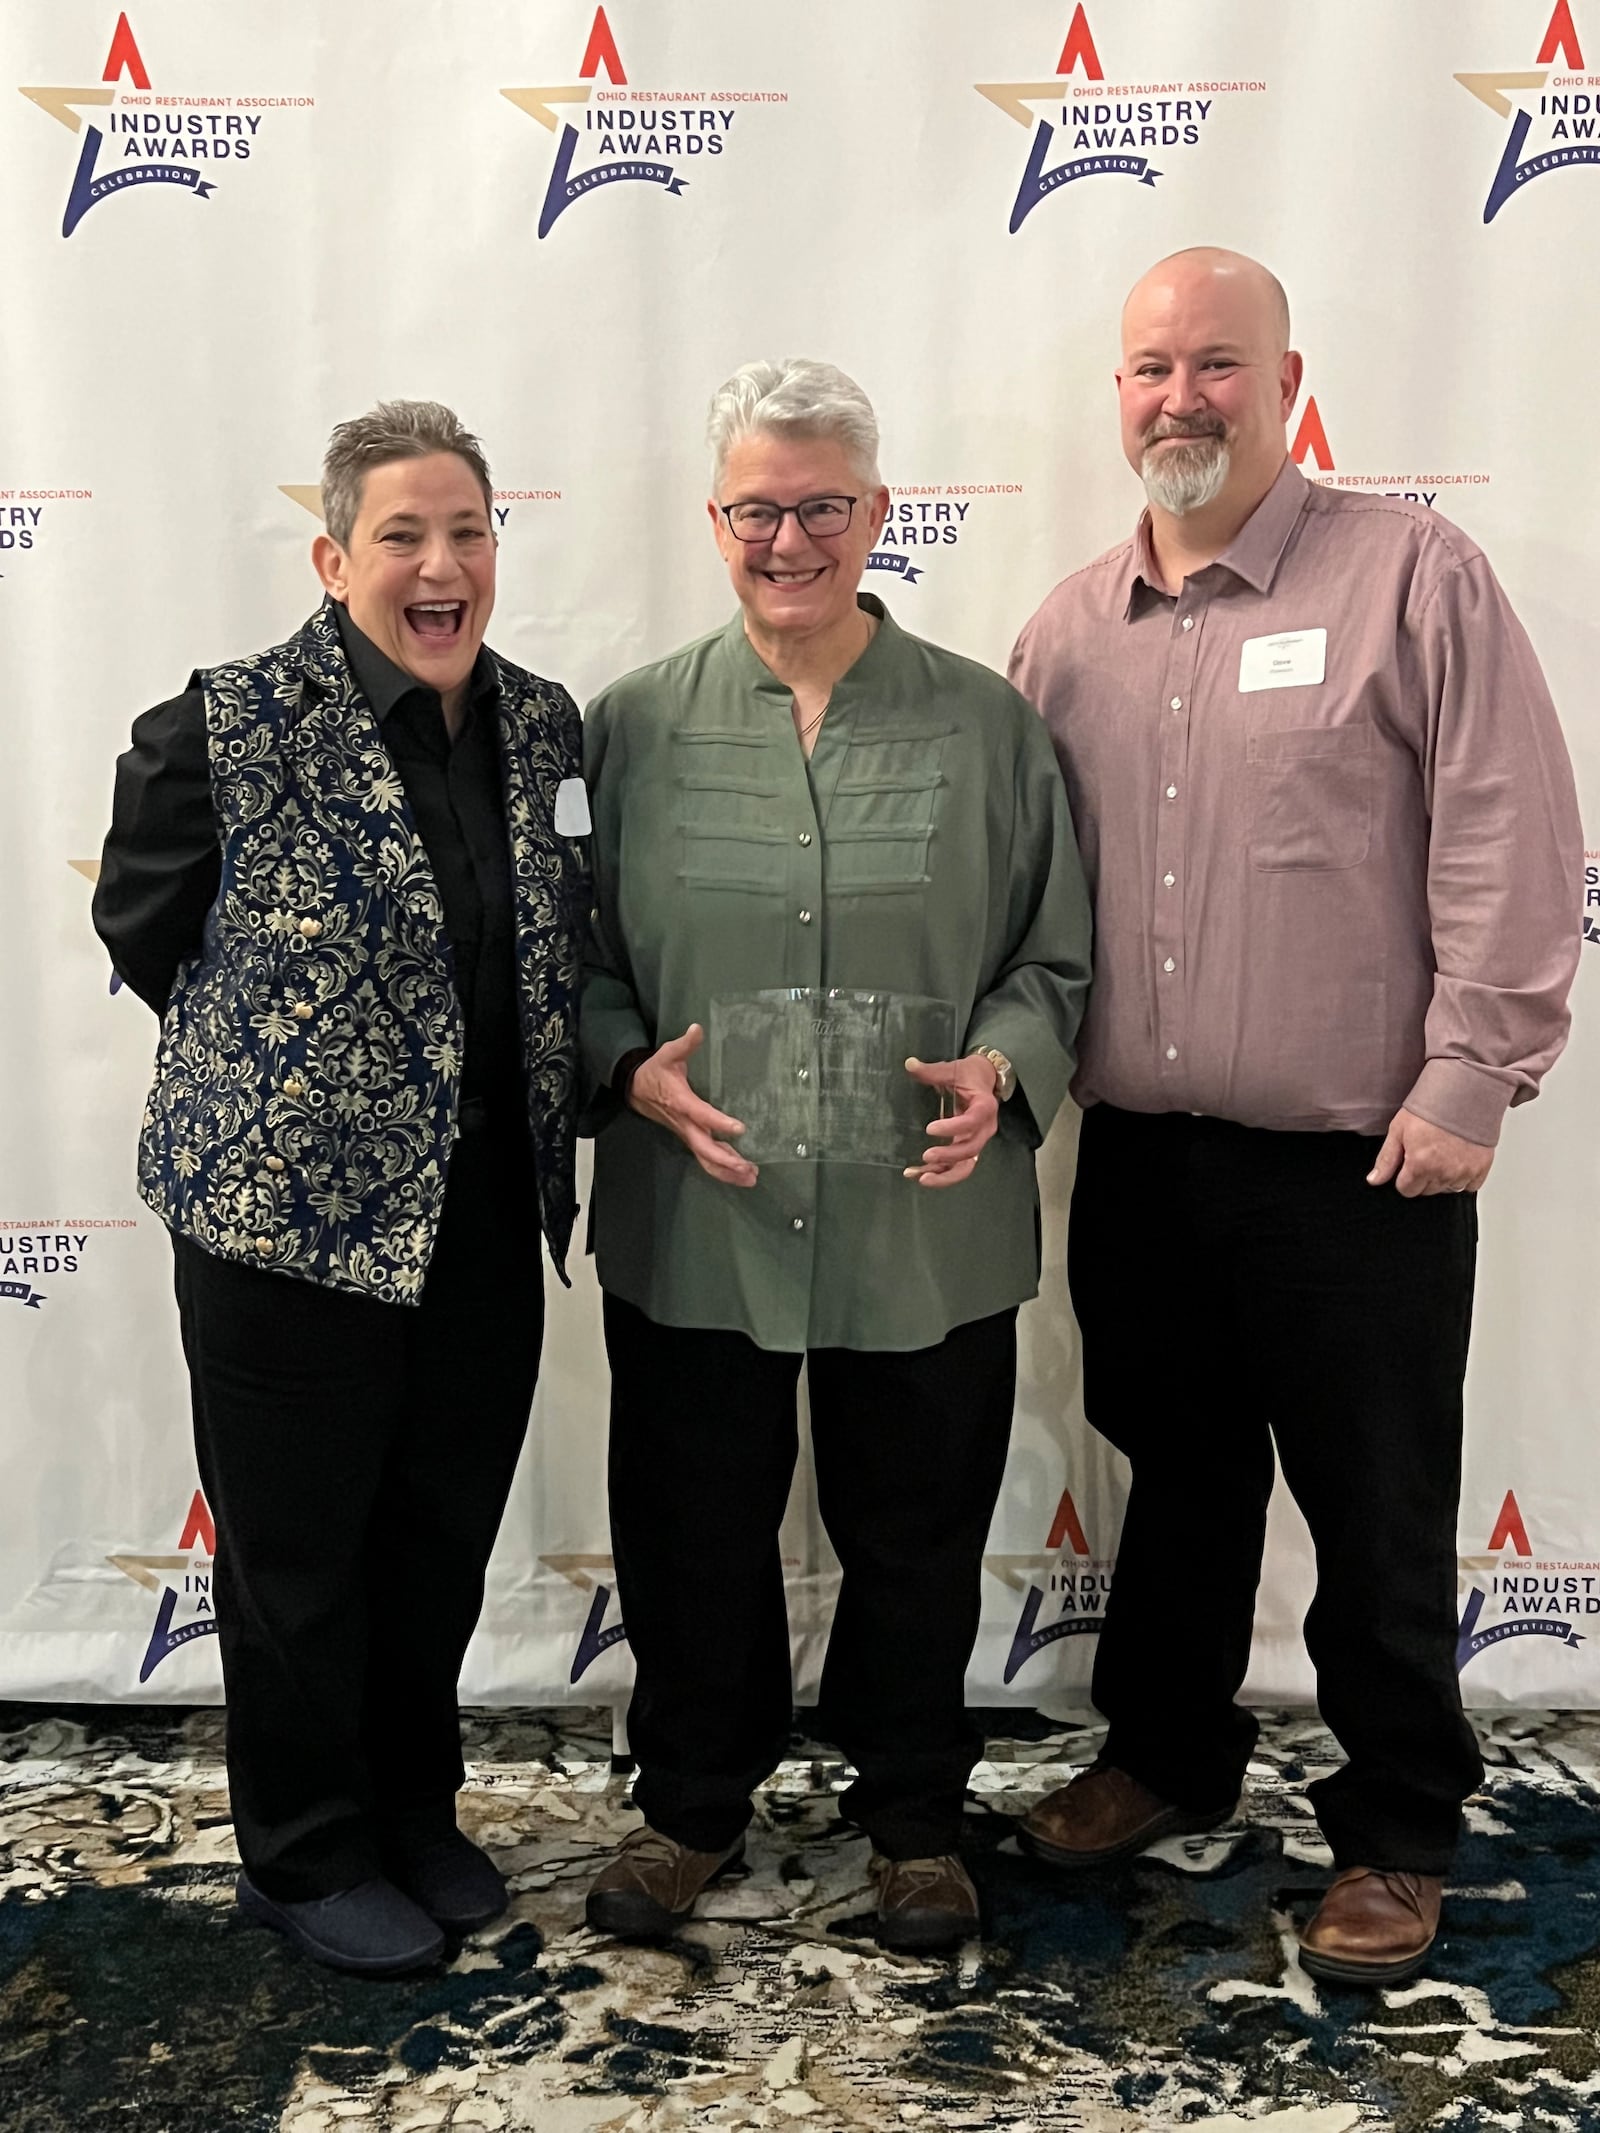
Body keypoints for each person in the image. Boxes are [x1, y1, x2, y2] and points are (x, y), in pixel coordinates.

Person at [1008, 249, 1583, 1987]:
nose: (1180, 397)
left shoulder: (1415, 576)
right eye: (1150, 369)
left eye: (1216, 365)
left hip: (1365, 1163)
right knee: (1175, 1485)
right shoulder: (1063, 631)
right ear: (1118, 394)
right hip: (1147, 1162)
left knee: (1378, 1504)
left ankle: (1401, 1823)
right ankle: (1168, 1753)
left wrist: (1475, 1068)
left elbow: (1508, 832)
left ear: (1286, 379)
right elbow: (1021, 888)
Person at [579, 358, 1091, 1953]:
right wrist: (621, 1068)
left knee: (920, 1533)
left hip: (919, 1223)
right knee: (689, 1528)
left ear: (876, 514)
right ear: (713, 519)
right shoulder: (629, 728)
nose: (786, 538)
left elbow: (1054, 960)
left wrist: (1005, 1072)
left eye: (820, 506)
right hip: (697, 1215)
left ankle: (918, 1818)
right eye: (757, 508)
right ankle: (687, 1807)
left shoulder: (989, 723)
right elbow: (569, 962)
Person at [93, 400, 589, 1976]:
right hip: (280, 1229)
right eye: (402, 536)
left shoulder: (546, 723)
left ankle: (410, 1807)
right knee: (298, 1557)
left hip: (482, 1216)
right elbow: (147, 933)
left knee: (436, 1537)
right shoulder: (221, 725)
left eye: (468, 532)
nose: (441, 566)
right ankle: (301, 1852)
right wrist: (300, 1081)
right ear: (332, 556)